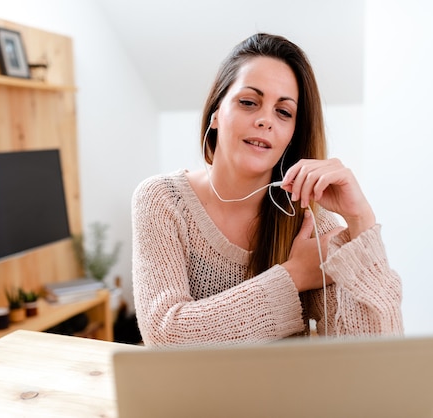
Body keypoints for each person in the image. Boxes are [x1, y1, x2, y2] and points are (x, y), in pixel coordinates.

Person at [131, 33, 403, 347]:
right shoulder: (162, 200)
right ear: (216, 113)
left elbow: (374, 359)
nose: (265, 120)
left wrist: (361, 222)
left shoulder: (308, 223)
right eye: (249, 102)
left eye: (283, 112)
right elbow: (167, 336)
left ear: (292, 134)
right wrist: (295, 275)